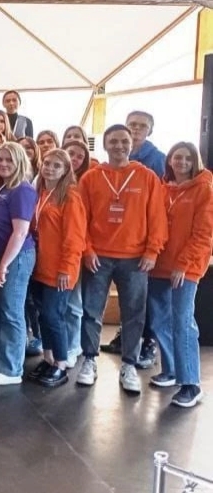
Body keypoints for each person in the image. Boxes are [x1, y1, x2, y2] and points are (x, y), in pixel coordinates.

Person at [75, 124, 167, 393]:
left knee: (134, 314)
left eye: (124, 141)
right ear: (105, 145)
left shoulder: (147, 177)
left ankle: (129, 364)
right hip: (98, 257)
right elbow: (80, 219)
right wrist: (87, 249)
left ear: (132, 144)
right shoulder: (91, 178)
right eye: (113, 141)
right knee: (91, 312)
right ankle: (89, 360)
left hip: (135, 258)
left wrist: (152, 251)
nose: (119, 146)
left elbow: (157, 218)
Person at [147, 142, 211, 407]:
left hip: (186, 267)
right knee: (160, 321)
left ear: (195, 162)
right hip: (159, 265)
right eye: (177, 157)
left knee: (182, 322)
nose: (182, 162)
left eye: (187, 158)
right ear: (169, 160)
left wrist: (183, 264)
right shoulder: (163, 188)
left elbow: (204, 234)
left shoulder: (204, 189)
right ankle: (172, 370)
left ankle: (191, 384)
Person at [0, 142, 37, 385]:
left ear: (20, 162)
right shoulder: (0, 187)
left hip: (15, 258)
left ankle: (12, 369)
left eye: (9, 160)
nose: (3, 164)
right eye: (0, 159)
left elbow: (20, 232)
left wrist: (4, 265)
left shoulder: (22, 189)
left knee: (11, 312)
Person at [28, 149, 85, 387]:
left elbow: (75, 237)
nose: (50, 168)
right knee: (43, 315)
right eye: (47, 163)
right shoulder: (41, 192)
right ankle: (49, 358)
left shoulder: (70, 196)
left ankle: (61, 364)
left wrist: (66, 268)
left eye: (56, 165)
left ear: (65, 171)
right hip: (40, 267)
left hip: (60, 270)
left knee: (54, 316)